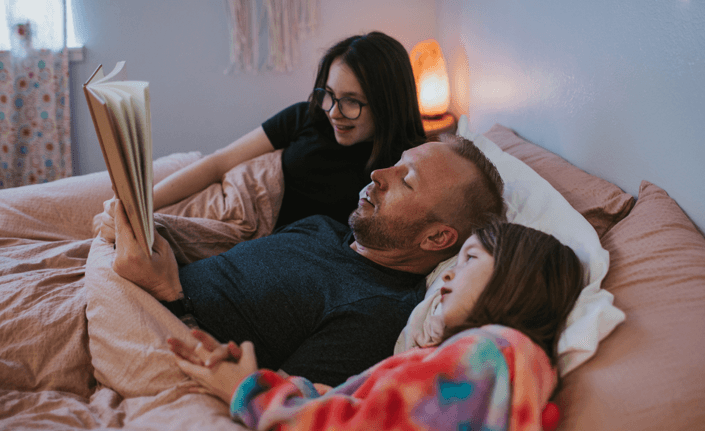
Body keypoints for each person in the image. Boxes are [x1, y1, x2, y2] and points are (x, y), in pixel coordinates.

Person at [110, 136, 506, 386]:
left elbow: (272, 402)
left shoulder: (374, 311)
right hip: (140, 280)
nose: (379, 173)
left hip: (159, 328)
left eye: (407, 180)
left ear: (436, 237)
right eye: (396, 163)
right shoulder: (325, 228)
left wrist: (166, 291)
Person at [168, 218, 585, 431]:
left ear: (517, 279)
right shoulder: (503, 366)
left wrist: (249, 392)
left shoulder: (492, 351)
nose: (449, 277)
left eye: (469, 260)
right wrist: (262, 380)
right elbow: (374, 412)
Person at [152, 31, 426, 230]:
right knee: (127, 211)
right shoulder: (307, 116)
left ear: (388, 104)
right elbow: (219, 162)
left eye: (352, 101)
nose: (333, 112)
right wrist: (143, 203)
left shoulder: (403, 168)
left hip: (264, 238)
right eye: (328, 94)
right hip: (232, 192)